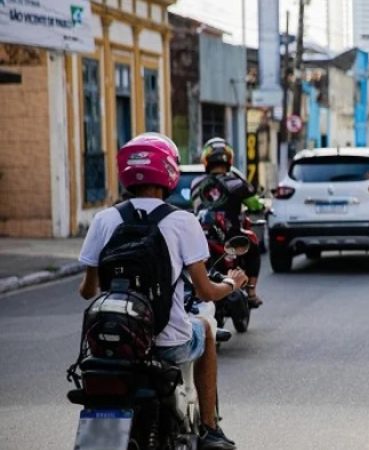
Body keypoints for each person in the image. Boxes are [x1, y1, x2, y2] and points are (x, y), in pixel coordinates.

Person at [78, 133, 245, 450]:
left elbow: (88, 291)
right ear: (169, 172)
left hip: (110, 346)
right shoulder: (182, 221)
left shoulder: (103, 219)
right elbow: (205, 291)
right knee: (207, 329)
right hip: (169, 343)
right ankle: (209, 428)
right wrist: (232, 284)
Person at [191, 137, 264, 308]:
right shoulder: (236, 182)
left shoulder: (196, 183)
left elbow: (195, 207)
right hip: (232, 237)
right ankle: (252, 292)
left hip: (204, 239)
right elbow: (254, 204)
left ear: (206, 159)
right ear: (229, 159)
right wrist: (260, 205)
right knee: (253, 246)